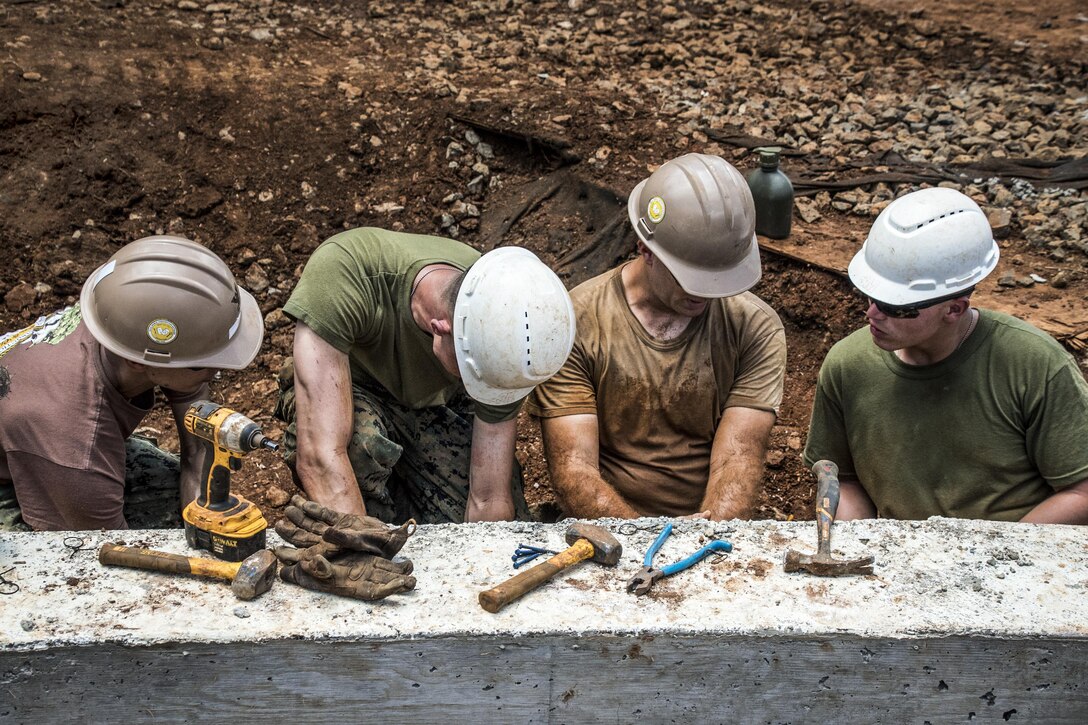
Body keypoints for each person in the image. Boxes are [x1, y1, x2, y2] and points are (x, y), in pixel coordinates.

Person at [803, 187, 1088, 524]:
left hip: (1014, 560)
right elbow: (842, 479)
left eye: (896, 306)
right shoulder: (848, 365)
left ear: (954, 308)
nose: (873, 314)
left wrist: (994, 557)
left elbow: (1080, 491)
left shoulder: (1034, 365)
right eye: (869, 295)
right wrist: (858, 545)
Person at [526, 153, 787, 520]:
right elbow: (575, 467)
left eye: (718, 280)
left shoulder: (753, 327)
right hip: (613, 525)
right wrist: (642, 541)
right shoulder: (577, 322)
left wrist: (707, 538)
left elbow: (738, 456)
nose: (708, 293)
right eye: (691, 279)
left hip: (706, 523)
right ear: (644, 249)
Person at [274, 227, 575, 525]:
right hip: (349, 388)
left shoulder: (503, 334)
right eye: (475, 380)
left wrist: (483, 557)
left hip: (433, 401)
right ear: (441, 329)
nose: (485, 390)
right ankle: (382, 528)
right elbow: (322, 454)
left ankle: (411, 518)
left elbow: (488, 497)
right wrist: (358, 552)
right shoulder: (345, 273)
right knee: (362, 447)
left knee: (472, 525)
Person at [0, 235, 264, 531]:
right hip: (48, 452)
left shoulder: (120, 316)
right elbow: (104, 556)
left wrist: (202, 530)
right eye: (204, 364)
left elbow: (198, 448)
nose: (215, 372)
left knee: (176, 492)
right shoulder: (77, 439)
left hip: (41, 442)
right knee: (57, 563)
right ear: (139, 362)